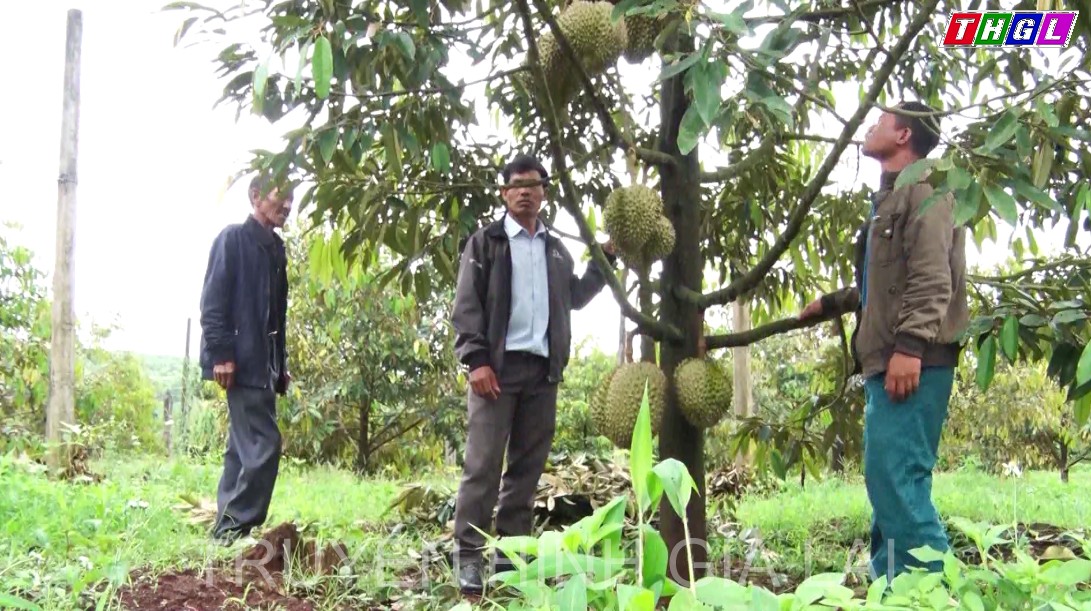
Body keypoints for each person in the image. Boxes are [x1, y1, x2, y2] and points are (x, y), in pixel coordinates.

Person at [800, 101, 968, 582]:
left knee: (898, 483)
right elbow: (887, 285)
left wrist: (910, 347)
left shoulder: (927, 190)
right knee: (886, 488)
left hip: (913, 361)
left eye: (880, 120)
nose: (870, 126)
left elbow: (933, 278)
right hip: (888, 359)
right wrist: (833, 302)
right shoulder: (893, 198)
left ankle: (940, 593)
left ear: (902, 135)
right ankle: (895, 591)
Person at [450, 153, 617, 594]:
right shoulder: (485, 243)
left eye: (534, 184)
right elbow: (466, 307)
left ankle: (510, 559)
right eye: (516, 184)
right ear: (504, 193)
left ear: (544, 192)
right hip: (497, 371)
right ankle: (468, 557)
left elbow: (576, 297)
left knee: (525, 472)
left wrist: (606, 259)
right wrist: (476, 360)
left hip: (542, 372)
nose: (525, 191)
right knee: (483, 466)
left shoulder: (555, 250)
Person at [199, 173, 294, 545]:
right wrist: (221, 353)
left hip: (264, 363)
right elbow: (213, 302)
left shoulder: (276, 249)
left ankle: (225, 530)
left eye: (292, 198)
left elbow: (276, 315)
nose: (287, 205)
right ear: (255, 196)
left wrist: (280, 363)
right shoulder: (232, 240)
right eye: (280, 196)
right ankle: (237, 527)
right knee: (264, 443)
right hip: (239, 360)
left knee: (241, 447)